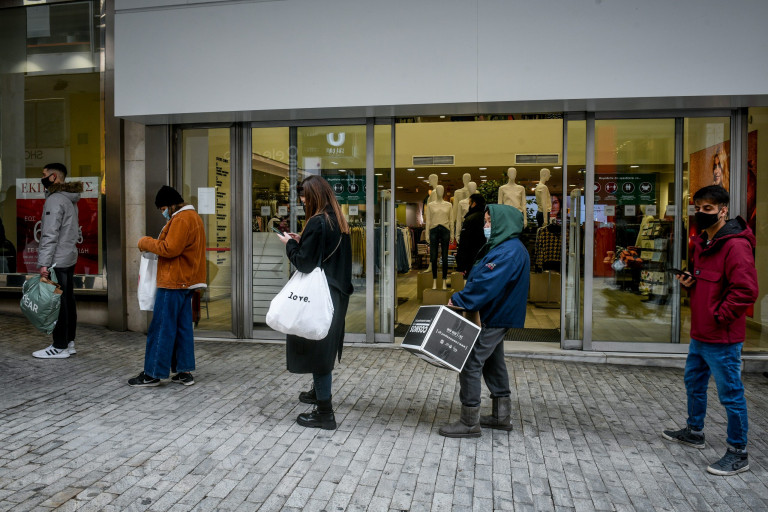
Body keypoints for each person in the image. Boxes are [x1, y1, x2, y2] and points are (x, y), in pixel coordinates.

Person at [662, 185, 757, 476]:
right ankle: (695, 431)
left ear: (723, 210)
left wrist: (719, 316)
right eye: (698, 208)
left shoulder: (735, 245)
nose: (702, 213)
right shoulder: (703, 244)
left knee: (731, 394)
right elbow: (714, 284)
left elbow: (745, 291)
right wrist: (692, 282)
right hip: (700, 334)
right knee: (694, 384)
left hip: (723, 337)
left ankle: (738, 452)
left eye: (708, 209)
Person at [440, 204, 530, 438]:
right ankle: (501, 416)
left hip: (495, 314)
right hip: (497, 313)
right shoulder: (506, 247)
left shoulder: (508, 251)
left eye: (490, 222)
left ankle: (469, 422)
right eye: (486, 222)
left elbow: (488, 283)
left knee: (470, 362)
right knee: (493, 362)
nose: (486, 226)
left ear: (504, 224)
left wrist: (460, 298)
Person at [276, 176, 352, 430]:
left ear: (315, 196)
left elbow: (305, 263)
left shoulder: (317, 222)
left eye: (305, 196)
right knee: (323, 346)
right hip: (337, 293)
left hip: (319, 295)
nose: (302, 200)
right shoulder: (338, 221)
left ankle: (324, 412)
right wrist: (302, 241)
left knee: (316, 349)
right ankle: (317, 394)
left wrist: (289, 245)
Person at [129, 186, 206, 387]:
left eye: (163, 208)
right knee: (182, 328)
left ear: (171, 205)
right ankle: (184, 371)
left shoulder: (181, 219)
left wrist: (145, 242)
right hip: (186, 281)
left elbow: (169, 249)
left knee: (162, 327)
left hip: (173, 281)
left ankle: (153, 372)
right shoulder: (194, 217)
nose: (162, 212)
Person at [32, 163, 83, 359]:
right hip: (68, 257)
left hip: (56, 260)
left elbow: (49, 234)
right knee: (67, 300)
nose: (42, 178)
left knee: (58, 304)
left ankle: (59, 346)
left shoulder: (55, 200)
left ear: (53, 177)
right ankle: (69, 343)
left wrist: (44, 263)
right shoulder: (70, 198)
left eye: (44, 174)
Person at [455, 193, 486, 276]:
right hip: (485, 257)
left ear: (474, 203)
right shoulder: (487, 217)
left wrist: (461, 263)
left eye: (470, 203)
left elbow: (464, 242)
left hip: (471, 258)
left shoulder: (470, 218)